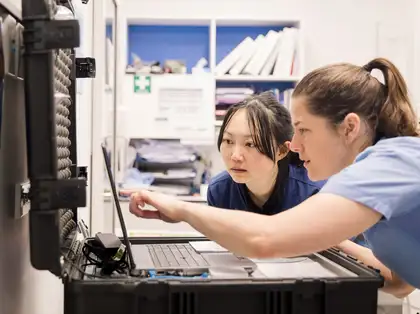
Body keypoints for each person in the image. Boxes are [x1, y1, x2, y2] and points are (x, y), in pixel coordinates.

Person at [129, 57, 420, 298]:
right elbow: (399, 281)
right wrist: (330, 238)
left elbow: (264, 238)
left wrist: (180, 209)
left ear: (349, 127)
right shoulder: (380, 166)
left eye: (303, 130)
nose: (293, 145)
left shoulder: (386, 165)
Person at [208, 91, 324, 215]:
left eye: (250, 144)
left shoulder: (316, 193)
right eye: (228, 141)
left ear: (282, 151)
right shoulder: (219, 191)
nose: (235, 156)